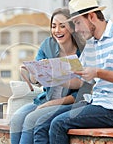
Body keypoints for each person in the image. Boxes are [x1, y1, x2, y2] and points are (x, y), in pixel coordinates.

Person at [38, 0, 113, 144]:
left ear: (92, 16)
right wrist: (49, 75)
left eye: (78, 23)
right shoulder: (90, 45)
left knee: (58, 124)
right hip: (95, 103)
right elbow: (78, 81)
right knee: (43, 121)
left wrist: (97, 72)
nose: (77, 30)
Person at [9, 8, 86, 144]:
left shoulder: (82, 53)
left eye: (62, 26)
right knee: (16, 118)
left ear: (72, 28)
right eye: (53, 26)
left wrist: (53, 103)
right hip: (45, 100)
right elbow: (36, 82)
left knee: (31, 119)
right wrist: (34, 71)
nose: (57, 30)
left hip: (69, 104)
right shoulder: (48, 45)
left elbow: (82, 93)